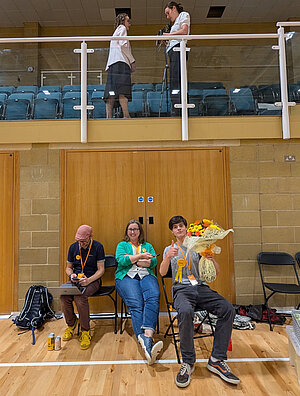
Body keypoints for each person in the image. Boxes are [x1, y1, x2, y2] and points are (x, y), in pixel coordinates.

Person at [160, 216, 240, 388]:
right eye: (175, 227)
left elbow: (216, 272)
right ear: (172, 231)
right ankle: (188, 362)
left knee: (227, 309)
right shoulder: (170, 248)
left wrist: (211, 260)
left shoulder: (198, 245)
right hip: (182, 290)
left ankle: (217, 359)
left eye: (181, 226)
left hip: (201, 288)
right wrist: (167, 257)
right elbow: (161, 272)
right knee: (185, 312)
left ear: (186, 228)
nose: (179, 229)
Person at [115, 219, 163, 364]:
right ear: (127, 231)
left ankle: (146, 336)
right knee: (136, 304)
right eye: (130, 229)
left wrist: (133, 259)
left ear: (140, 231)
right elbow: (121, 261)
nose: (133, 232)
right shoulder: (122, 245)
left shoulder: (148, 246)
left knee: (154, 296)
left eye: (136, 229)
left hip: (146, 275)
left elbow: (152, 262)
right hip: (126, 277)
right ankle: (147, 344)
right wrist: (141, 257)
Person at [60, 224, 105, 350]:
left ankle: (85, 331)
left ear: (90, 236)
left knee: (80, 297)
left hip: (93, 280)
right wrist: (72, 275)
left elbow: (101, 270)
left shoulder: (98, 247)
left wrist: (88, 280)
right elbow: (68, 268)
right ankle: (72, 324)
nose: (81, 244)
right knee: (64, 295)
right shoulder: (73, 248)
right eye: (79, 241)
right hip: (76, 280)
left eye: (84, 241)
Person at [104, 13, 136, 119]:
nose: (129, 24)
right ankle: (126, 115)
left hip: (113, 64)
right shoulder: (122, 28)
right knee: (123, 90)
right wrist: (132, 61)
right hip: (122, 63)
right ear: (122, 21)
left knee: (111, 91)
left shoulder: (115, 32)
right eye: (128, 21)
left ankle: (108, 117)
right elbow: (124, 45)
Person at [163, 2, 190, 115]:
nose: (168, 17)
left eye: (168, 13)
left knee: (177, 80)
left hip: (178, 51)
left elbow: (184, 31)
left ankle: (180, 109)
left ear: (174, 8)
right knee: (174, 81)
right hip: (173, 52)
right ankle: (176, 107)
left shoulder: (183, 15)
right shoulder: (174, 26)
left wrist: (169, 35)